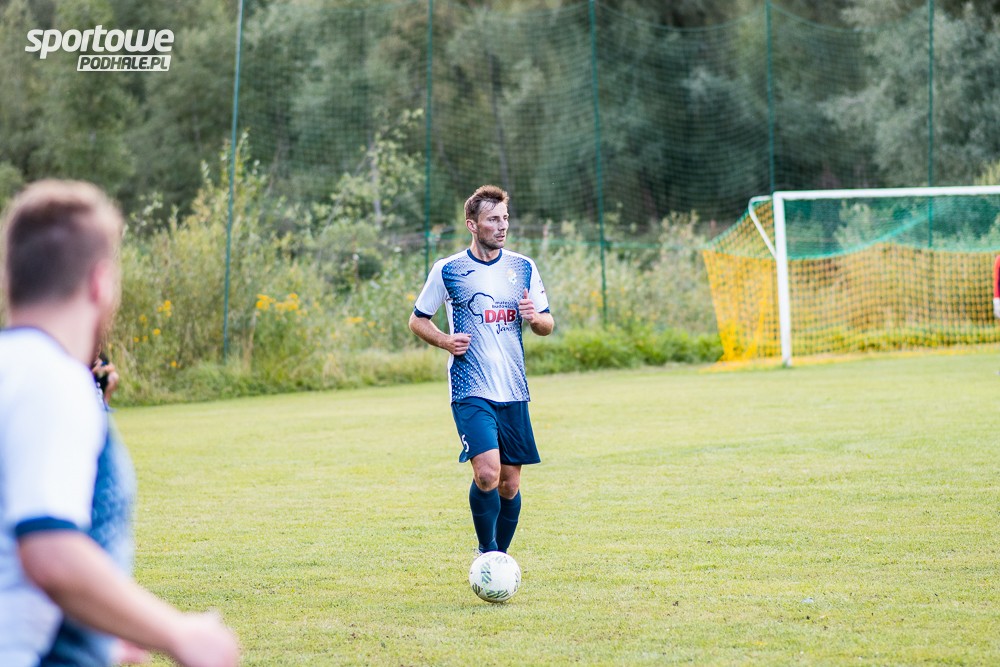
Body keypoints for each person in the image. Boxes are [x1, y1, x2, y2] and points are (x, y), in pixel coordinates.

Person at [0, 180, 240, 667]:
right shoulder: (53, 379)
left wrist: (102, 639)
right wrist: (179, 632)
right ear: (100, 282)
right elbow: (49, 554)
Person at [408, 184, 554, 556]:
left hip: (513, 389)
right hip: (469, 386)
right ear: (472, 225)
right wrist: (445, 340)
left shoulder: (523, 267)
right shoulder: (449, 270)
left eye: (505, 218)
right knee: (488, 473)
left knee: (509, 484)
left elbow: (547, 324)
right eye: (493, 220)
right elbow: (417, 319)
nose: (502, 226)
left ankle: (498, 561)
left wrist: (534, 318)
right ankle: (486, 553)